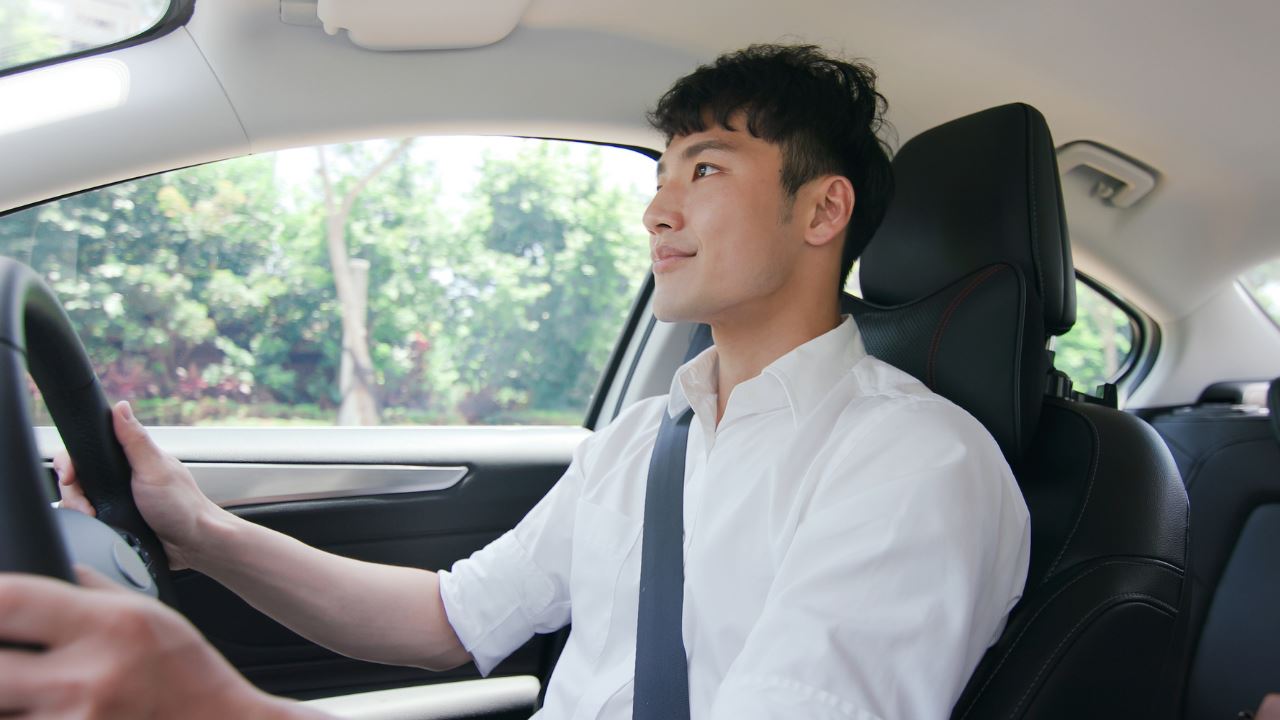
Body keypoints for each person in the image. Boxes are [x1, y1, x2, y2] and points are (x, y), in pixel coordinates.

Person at [0, 45, 1029, 719]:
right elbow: (445, 619)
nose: (656, 211)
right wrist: (197, 534)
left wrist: (217, 708)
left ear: (821, 211)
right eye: (657, 175)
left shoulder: (914, 466)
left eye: (704, 170)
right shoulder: (644, 440)